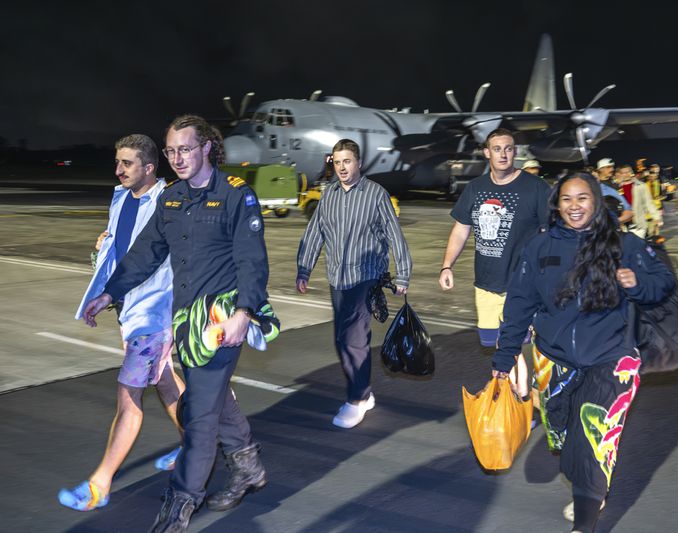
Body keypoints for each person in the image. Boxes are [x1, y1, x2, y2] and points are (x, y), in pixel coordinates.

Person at [82, 115, 273, 532]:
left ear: (207, 147)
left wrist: (244, 313)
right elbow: (143, 254)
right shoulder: (172, 200)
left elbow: (252, 261)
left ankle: (179, 505)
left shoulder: (236, 196)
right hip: (184, 322)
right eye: (170, 151)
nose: (176, 158)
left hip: (221, 322)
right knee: (215, 399)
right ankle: (248, 467)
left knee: (200, 412)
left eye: (184, 149)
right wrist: (108, 293)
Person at [492, 173, 675, 532]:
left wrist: (638, 284)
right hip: (553, 358)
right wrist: (505, 354)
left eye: (582, 198)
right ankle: (588, 484)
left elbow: (663, 282)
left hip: (612, 356)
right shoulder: (539, 247)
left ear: (595, 200)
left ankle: (586, 520)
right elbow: (519, 303)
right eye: (567, 199)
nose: (574, 206)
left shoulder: (625, 245)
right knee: (563, 437)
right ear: (557, 205)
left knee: (591, 439)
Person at [59, 134, 184, 512]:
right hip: (129, 309)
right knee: (165, 382)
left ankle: (101, 483)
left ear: (149, 167)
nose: (118, 170)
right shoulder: (119, 198)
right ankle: (199, 444)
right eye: (117, 162)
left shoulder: (171, 201)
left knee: (129, 397)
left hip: (156, 313)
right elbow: (119, 248)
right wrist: (101, 260)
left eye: (127, 163)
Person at [297, 138, 411, 429]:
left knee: (354, 339)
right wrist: (304, 270)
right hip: (337, 277)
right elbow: (315, 233)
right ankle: (364, 392)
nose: (342, 167)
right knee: (341, 339)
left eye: (347, 161)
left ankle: (357, 399)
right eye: (337, 162)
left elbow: (395, 236)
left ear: (358, 162)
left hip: (365, 278)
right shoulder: (329, 195)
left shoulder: (376, 195)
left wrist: (403, 275)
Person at [439, 128, 550, 349]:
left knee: (515, 347)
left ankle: (517, 385)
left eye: (508, 149)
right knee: (492, 344)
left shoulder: (536, 188)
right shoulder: (475, 188)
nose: (503, 154)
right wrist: (446, 266)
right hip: (486, 285)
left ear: (515, 152)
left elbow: (550, 234)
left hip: (521, 285)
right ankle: (503, 384)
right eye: (497, 149)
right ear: (487, 153)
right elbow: (461, 229)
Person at [616, 164, 660, 238]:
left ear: (631, 172)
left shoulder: (641, 186)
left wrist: (656, 217)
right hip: (623, 224)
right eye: (623, 172)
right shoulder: (616, 188)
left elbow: (648, 202)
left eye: (628, 172)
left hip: (638, 223)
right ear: (620, 174)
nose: (626, 174)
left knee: (637, 246)